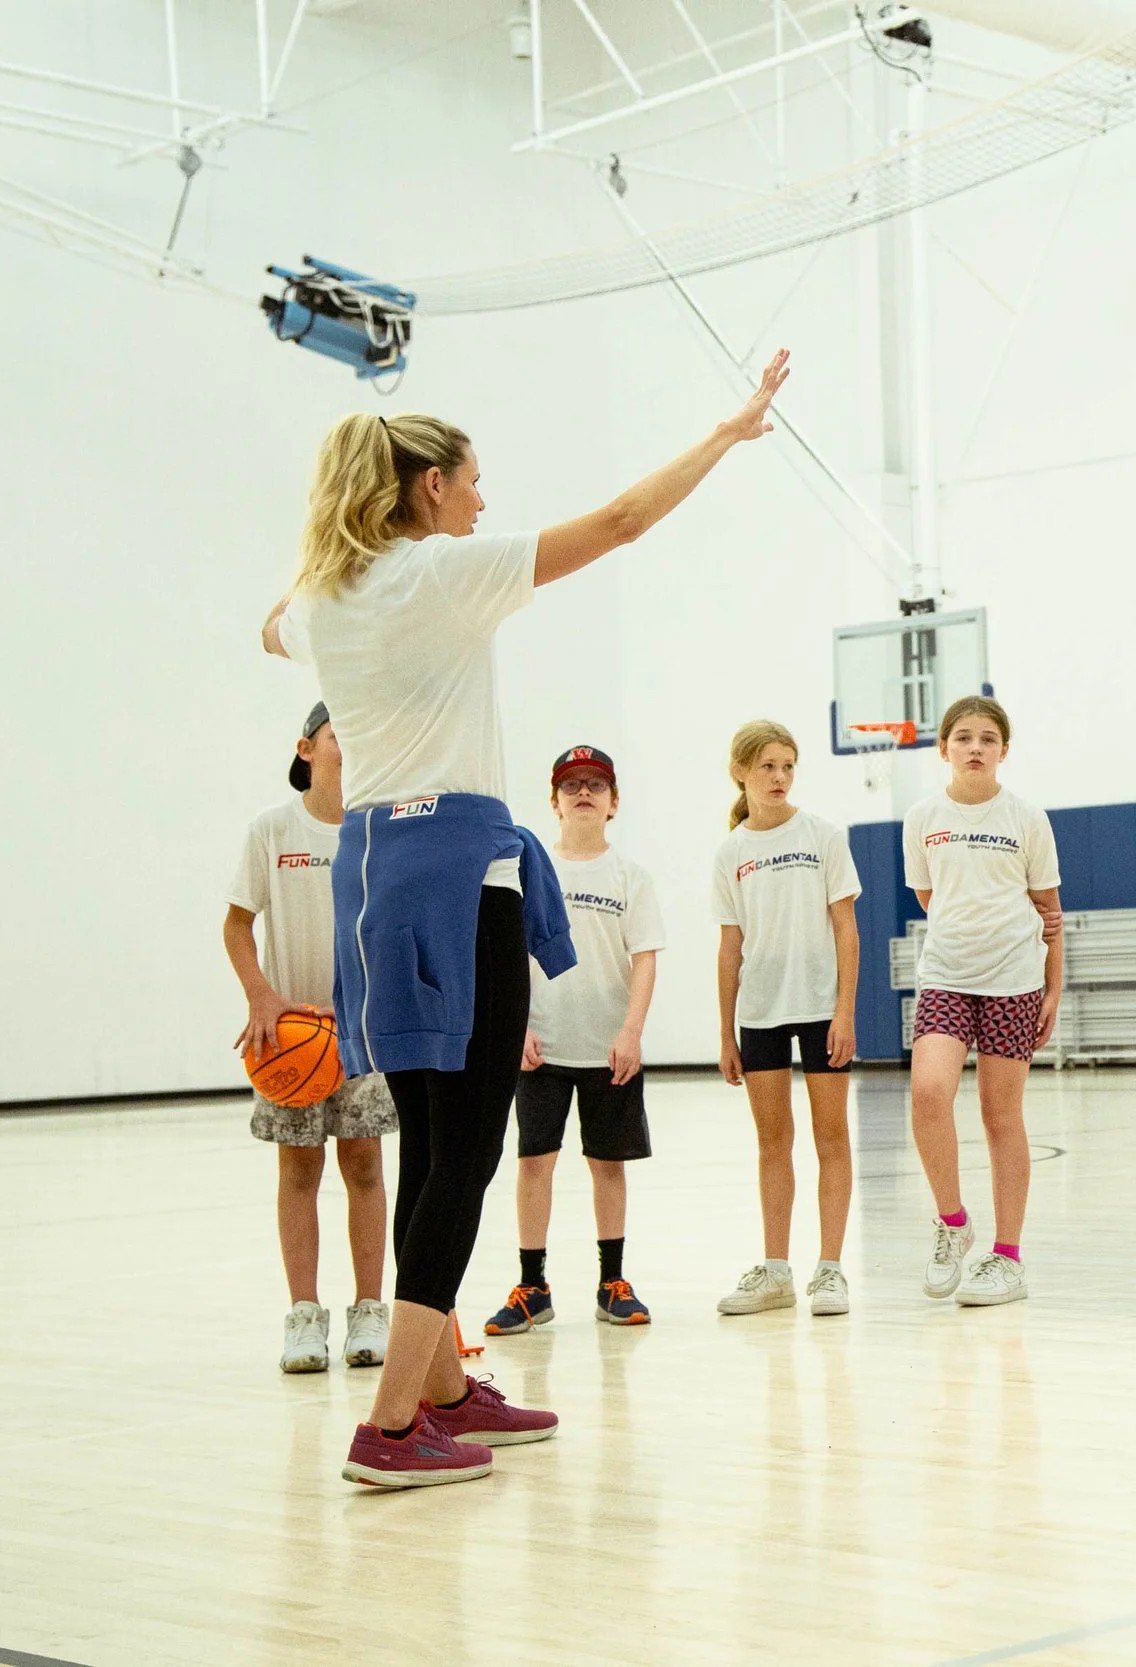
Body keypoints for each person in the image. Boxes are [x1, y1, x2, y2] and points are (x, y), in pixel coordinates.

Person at [264, 350, 790, 1486]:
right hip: (461, 876)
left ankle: (447, 1386)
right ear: (425, 491)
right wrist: (726, 431)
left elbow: (275, 626)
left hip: (371, 879)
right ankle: (396, 1420)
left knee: (429, 1143)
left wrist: (316, 583)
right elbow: (620, 520)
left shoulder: (322, 599)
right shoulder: (437, 575)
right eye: (471, 481)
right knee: (468, 1148)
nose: (483, 500)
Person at [223, 701, 394, 1374]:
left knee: (366, 1167)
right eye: (336, 734)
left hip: (359, 1032)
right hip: (293, 1037)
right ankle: (303, 1316)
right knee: (299, 1170)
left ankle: (370, 1311)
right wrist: (262, 995)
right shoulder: (272, 830)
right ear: (307, 748)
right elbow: (236, 925)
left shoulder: (377, 828)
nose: (350, 742)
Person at [485, 746, 666, 1336]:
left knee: (606, 1165)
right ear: (554, 802)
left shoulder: (631, 878)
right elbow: (506, 955)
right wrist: (516, 1027)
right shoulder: (526, 869)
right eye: (571, 785)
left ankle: (612, 1281)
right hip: (541, 1046)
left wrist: (631, 1032)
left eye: (595, 784)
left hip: (608, 1048)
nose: (583, 792)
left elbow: (644, 959)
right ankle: (532, 1285)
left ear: (614, 803)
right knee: (534, 1162)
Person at [902, 696, 1063, 1309]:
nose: (975, 747)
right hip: (945, 974)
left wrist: (1053, 986)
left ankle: (1008, 1258)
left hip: (1014, 979)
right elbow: (928, 895)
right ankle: (951, 1221)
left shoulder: (1026, 817)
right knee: (928, 1093)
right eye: (963, 737)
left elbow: (1050, 912)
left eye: (988, 739)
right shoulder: (921, 817)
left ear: (1003, 751)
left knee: (1001, 1118)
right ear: (944, 748)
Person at [712, 720, 862, 1316]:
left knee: (831, 1138)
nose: (780, 777)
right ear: (742, 773)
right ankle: (776, 1271)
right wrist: (725, 1032)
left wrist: (845, 1011)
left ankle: (830, 1270)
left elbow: (846, 929)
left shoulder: (823, 835)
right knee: (773, 1142)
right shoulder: (731, 852)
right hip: (761, 1014)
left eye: (788, 766)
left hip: (823, 1009)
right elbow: (730, 949)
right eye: (768, 766)